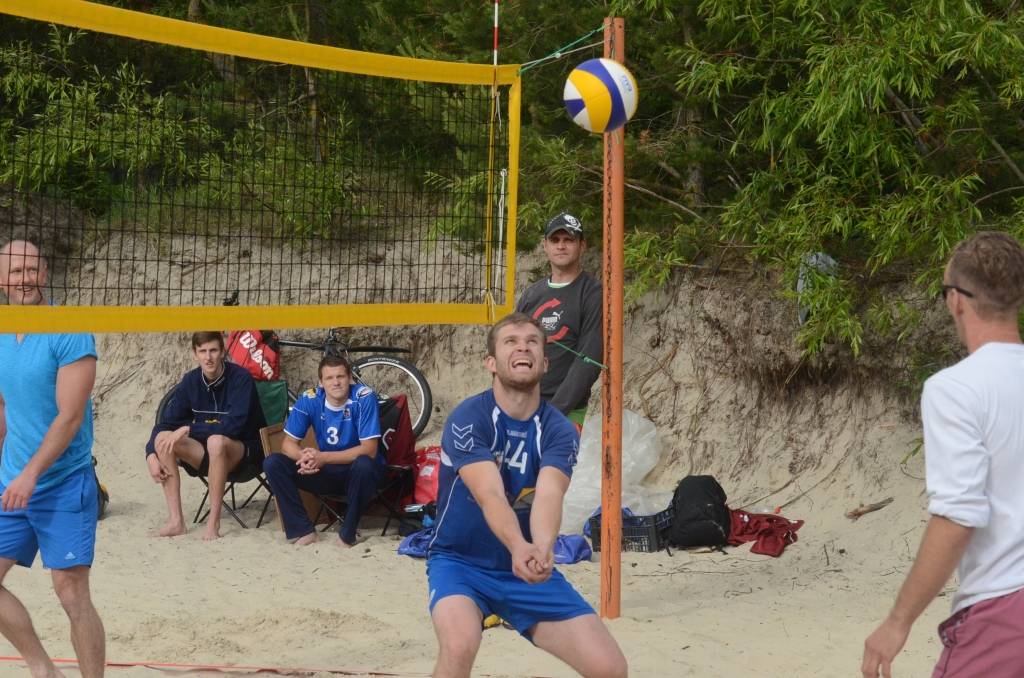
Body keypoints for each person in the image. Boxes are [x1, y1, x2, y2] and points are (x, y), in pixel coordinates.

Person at [426, 312, 627, 678]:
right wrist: (520, 545)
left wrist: (542, 548)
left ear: (545, 363)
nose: (522, 347)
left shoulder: (559, 430)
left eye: (532, 342)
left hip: (523, 567)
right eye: (511, 342)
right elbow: (490, 495)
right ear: (491, 362)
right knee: (459, 645)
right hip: (461, 563)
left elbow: (549, 495)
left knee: (609, 668)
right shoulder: (468, 418)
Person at [861, 231, 1024, 678]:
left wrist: (897, 622)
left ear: (955, 300)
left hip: (1002, 609)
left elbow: (958, 517)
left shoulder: (955, 390)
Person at [0, 240, 106, 677]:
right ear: (1, 279)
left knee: (71, 593)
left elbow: (70, 416)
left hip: (62, 482)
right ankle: (43, 669)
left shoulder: (68, 327)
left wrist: (30, 474)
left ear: (44, 273)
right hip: (12, 480)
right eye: (15, 271)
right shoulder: (2, 329)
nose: (24, 278)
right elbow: (3, 408)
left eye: (31, 269)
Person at [146, 331, 265, 540]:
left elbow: (234, 427)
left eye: (213, 350)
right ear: (195, 354)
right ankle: (176, 522)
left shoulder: (241, 378)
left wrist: (189, 429)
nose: (208, 357)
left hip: (245, 454)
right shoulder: (190, 381)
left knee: (216, 441)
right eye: (202, 351)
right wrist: (150, 454)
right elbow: (165, 424)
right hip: (207, 455)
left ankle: (213, 523)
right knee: (163, 438)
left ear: (222, 352)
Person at [263, 355, 382, 548]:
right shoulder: (310, 399)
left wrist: (323, 457)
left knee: (364, 464)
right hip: (325, 471)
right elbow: (288, 444)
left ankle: (347, 535)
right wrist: (305, 458)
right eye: (329, 378)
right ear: (321, 382)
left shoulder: (364, 397)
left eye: (340, 376)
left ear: (350, 378)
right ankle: (303, 530)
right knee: (273, 463)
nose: (336, 382)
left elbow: (369, 450)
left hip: (356, 473)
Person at [516, 212, 603, 427]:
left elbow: (588, 361)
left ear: (582, 245)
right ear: (545, 245)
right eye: (555, 240)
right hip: (524, 405)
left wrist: (553, 414)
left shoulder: (593, 294)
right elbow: (514, 350)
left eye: (568, 240)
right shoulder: (531, 294)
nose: (561, 246)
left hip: (566, 411)